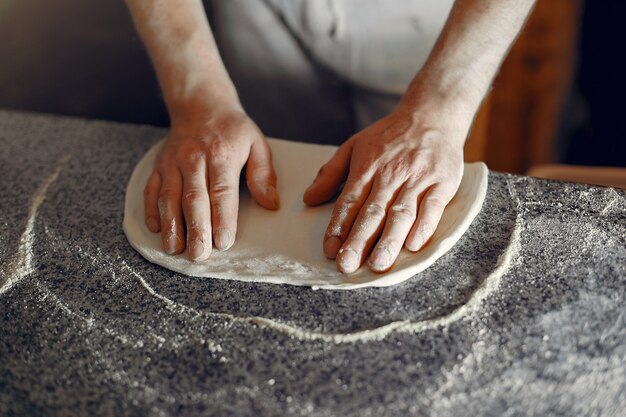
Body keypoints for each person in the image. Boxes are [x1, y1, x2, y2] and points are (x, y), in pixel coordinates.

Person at [125, 0, 536, 273]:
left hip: (432, 22)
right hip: (263, 12)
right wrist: (198, 98)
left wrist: (438, 110)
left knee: (397, 224)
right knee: (266, 190)